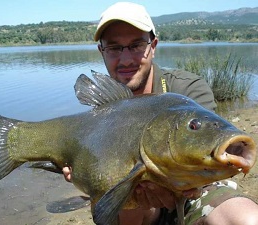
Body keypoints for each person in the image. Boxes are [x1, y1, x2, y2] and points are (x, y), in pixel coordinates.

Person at [63, 2, 258, 225]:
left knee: (246, 219)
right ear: (102, 51)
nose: (126, 59)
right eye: (115, 48)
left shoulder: (189, 89)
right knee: (127, 200)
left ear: (153, 46)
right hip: (132, 200)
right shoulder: (105, 107)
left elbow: (209, 155)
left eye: (136, 45)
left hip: (194, 192)